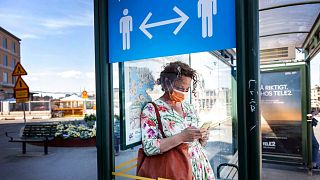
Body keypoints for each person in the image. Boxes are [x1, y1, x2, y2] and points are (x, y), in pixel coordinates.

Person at [140, 61, 215, 179]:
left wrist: (202, 138)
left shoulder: (188, 107)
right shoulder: (151, 109)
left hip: (200, 167)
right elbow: (148, 147)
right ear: (166, 82)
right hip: (176, 170)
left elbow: (196, 143)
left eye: (187, 89)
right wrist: (181, 137)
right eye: (180, 88)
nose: (183, 92)